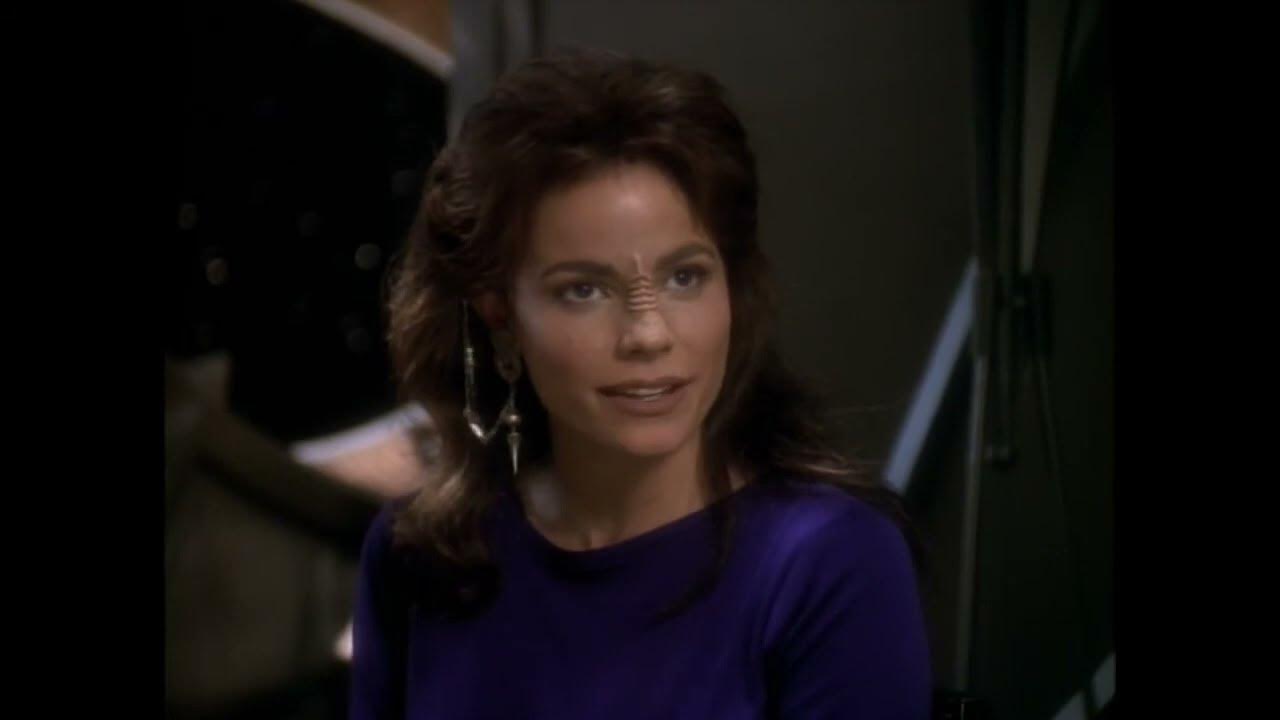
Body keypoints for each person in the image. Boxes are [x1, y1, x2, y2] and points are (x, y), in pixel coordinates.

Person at [351, 49, 932, 719]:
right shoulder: (421, 555)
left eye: (685, 277)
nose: (649, 334)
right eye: (584, 290)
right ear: (500, 315)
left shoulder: (829, 560)